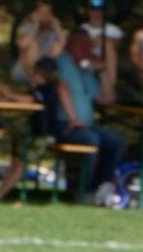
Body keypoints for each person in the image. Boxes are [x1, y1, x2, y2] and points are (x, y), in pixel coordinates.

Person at [37, 41, 125, 200]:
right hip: (65, 124)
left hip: (87, 125)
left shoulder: (86, 70)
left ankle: (101, 187)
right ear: (74, 46)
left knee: (115, 141)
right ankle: (83, 190)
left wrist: (102, 72)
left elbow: (107, 99)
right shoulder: (62, 62)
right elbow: (61, 87)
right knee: (91, 140)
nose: (89, 50)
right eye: (85, 46)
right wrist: (74, 119)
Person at [12, 0, 64, 88]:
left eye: (47, 13)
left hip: (45, 71)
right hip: (25, 70)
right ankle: (35, 82)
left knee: (58, 46)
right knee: (32, 44)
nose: (44, 16)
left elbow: (65, 47)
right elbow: (23, 44)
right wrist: (35, 25)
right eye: (41, 13)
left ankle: (44, 81)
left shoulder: (53, 31)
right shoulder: (27, 28)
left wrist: (57, 27)